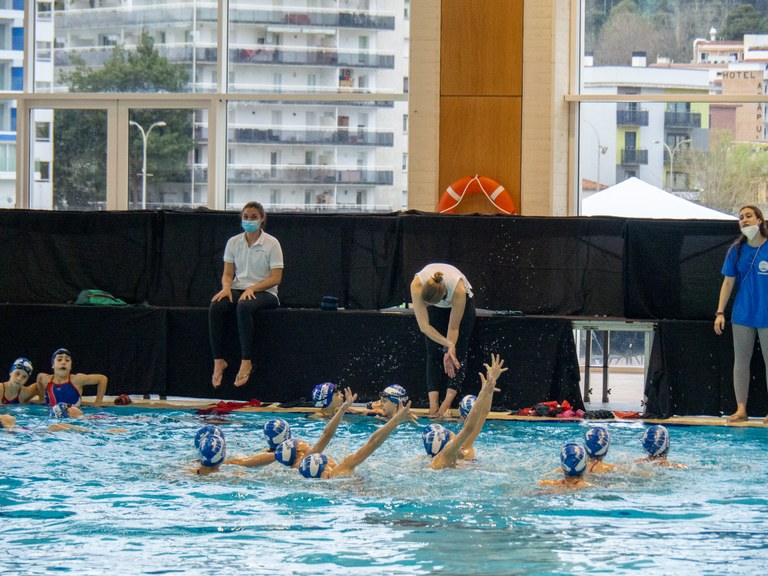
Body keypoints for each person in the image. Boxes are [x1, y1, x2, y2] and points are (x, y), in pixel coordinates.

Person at [209, 201, 284, 390]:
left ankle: (246, 361)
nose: (249, 220)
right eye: (246, 217)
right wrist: (226, 287)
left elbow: (276, 278)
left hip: (266, 292)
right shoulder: (233, 242)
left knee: (243, 306)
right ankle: (219, 360)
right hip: (239, 288)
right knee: (216, 306)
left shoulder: (272, 243)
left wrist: (254, 288)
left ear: (262, 219)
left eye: (253, 217)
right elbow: (228, 274)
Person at [714, 205, 768, 423]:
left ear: (760, 220)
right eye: (741, 218)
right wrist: (720, 312)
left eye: (748, 216)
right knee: (741, 362)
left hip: (766, 315)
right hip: (743, 314)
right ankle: (741, 409)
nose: (744, 220)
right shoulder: (736, 250)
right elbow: (728, 283)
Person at [410, 263, 477, 417]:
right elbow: (424, 327)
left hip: (463, 305)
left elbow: (453, 328)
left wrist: (449, 349)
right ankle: (433, 406)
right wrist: (446, 344)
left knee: (456, 355)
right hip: (437, 308)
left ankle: (445, 405)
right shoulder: (417, 285)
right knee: (433, 352)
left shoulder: (458, 289)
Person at [423, 354, 506, 469]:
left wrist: (490, 387)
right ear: (447, 446)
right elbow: (468, 428)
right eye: (454, 439)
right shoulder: (444, 457)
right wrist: (482, 393)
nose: (460, 442)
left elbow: (483, 413)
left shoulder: (447, 457)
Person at [296, 400, 414, 479]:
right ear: (325, 468)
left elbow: (326, 435)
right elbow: (373, 442)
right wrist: (396, 419)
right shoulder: (341, 469)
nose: (330, 459)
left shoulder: (314, 476)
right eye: (326, 460)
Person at [36, 348, 108, 407]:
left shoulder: (76, 380)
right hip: (51, 419)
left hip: (73, 418)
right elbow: (39, 377)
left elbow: (102, 379)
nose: (63, 362)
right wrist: (42, 399)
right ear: (53, 365)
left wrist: (98, 403)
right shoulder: (46, 380)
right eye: (59, 360)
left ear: (70, 366)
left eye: (67, 360)